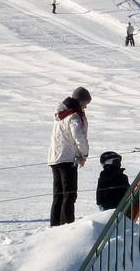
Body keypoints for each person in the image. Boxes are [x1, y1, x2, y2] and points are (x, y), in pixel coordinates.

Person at [47, 87, 92, 226]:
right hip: (67, 158)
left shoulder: (61, 114)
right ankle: (67, 226)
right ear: (80, 100)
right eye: (85, 103)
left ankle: (55, 225)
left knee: (58, 194)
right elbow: (78, 136)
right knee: (70, 194)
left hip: (55, 158)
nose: (85, 107)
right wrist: (83, 154)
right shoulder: (74, 116)